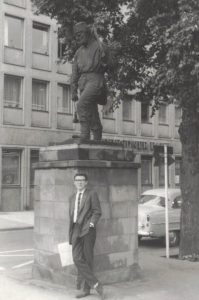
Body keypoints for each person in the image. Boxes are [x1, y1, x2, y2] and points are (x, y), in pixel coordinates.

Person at [71, 21, 112, 141]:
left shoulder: (100, 47)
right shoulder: (78, 52)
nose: (78, 37)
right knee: (91, 111)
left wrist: (106, 61)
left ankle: (84, 134)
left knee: (82, 105)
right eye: (76, 35)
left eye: (80, 34)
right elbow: (75, 72)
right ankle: (97, 136)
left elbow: (112, 65)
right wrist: (73, 89)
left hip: (96, 80)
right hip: (83, 83)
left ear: (88, 33)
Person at [69, 173, 104, 299]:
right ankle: (96, 283)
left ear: (86, 182)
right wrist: (71, 233)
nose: (79, 182)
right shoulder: (72, 197)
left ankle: (86, 290)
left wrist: (91, 224)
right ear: (74, 182)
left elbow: (97, 211)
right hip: (75, 230)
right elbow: (71, 217)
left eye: (82, 180)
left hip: (87, 230)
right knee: (77, 258)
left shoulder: (91, 194)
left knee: (88, 259)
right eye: (77, 180)